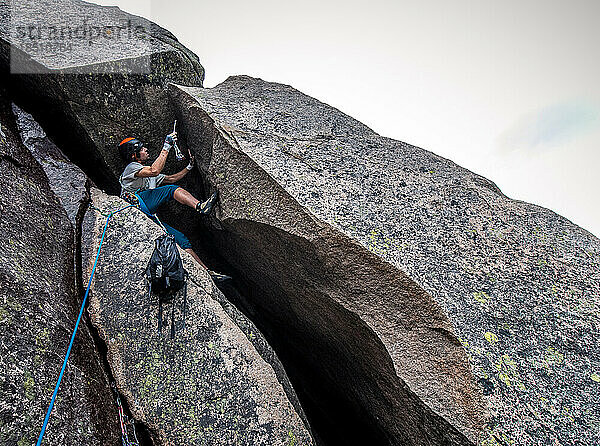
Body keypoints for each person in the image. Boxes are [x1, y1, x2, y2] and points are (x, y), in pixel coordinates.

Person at [118, 131, 230, 282]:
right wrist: (166, 146)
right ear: (133, 155)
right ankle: (200, 206)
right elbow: (154, 170)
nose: (146, 150)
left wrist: (189, 167)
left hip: (147, 215)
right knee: (170, 191)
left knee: (180, 239)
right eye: (142, 149)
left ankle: (207, 273)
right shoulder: (131, 168)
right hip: (136, 205)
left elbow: (171, 178)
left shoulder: (149, 176)